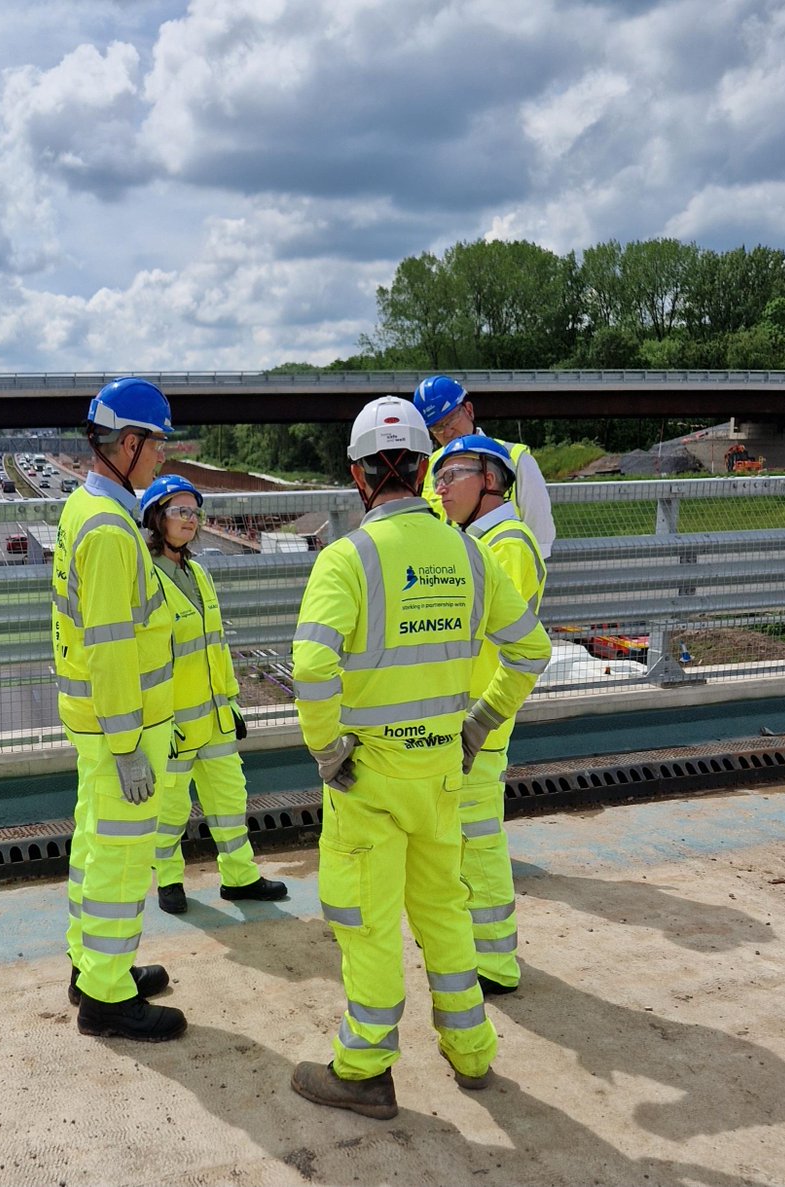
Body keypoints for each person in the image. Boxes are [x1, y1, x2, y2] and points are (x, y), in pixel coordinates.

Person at [289, 396, 552, 1119]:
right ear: (422, 466)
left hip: (369, 780)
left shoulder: (348, 559)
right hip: (441, 771)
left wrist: (324, 749)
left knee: (367, 922)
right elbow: (532, 649)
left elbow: (312, 667)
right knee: (444, 909)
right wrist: (480, 722)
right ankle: (471, 1053)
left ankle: (365, 1068)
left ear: (358, 474)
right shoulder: (468, 550)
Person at [53, 376, 186, 1043]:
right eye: (156, 443)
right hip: (122, 730)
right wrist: (131, 742)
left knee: (93, 844)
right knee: (123, 859)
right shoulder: (109, 529)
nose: (163, 456)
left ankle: (92, 965)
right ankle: (107, 997)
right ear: (128, 443)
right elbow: (109, 646)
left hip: (100, 726)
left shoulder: (89, 507)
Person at [137, 474, 289, 913]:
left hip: (215, 717)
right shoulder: (147, 580)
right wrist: (155, 721)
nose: (190, 519)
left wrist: (232, 699)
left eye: (194, 512)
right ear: (156, 519)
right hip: (173, 724)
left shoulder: (199, 572)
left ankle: (239, 878)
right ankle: (168, 881)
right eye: (180, 511)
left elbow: (215, 646)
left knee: (229, 801)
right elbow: (147, 660)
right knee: (170, 810)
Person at [431, 434, 548, 996]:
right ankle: (479, 949)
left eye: (453, 474)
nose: (440, 486)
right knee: (464, 842)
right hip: (460, 718)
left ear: (491, 480)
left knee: (478, 841)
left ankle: (496, 965)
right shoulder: (472, 539)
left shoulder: (507, 544)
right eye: (437, 475)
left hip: (479, 720)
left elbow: (500, 637)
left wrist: (478, 719)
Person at [413, 374, 557, 559]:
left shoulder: (515, 459)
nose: (447, 432)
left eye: (450, 420)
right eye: (437, 428)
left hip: (507, 573)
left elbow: (540, 537)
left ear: (469, 410)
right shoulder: (428, 468)